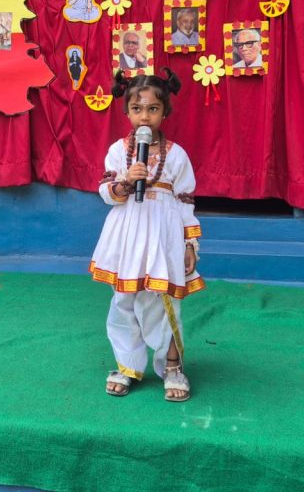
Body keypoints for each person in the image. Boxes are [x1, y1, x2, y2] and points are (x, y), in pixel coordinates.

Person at [92, 67, 203, 402]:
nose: (144, 116)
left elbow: (185, 201)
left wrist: (190, 243)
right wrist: (127, 181)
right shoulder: (118, 151)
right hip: (127, 236)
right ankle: (127, 366)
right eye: (137, 108)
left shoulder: (177, 155)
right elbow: (106, 191)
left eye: (153, 109)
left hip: (163, 237)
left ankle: (172, 366)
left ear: (165, 112)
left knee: (165, 300)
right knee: (124, 300)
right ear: (126, 112)